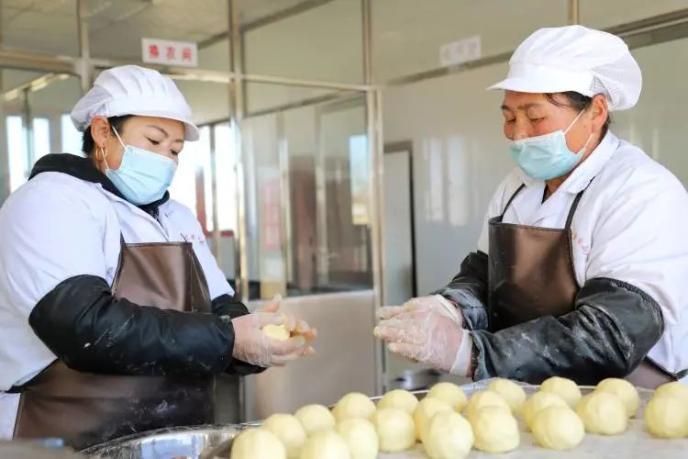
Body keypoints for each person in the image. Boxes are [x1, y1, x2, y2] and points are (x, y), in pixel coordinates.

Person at [0, 65, 316, 448]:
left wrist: (258, 337)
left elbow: (222, 311)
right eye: (153, 140)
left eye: (175, 150)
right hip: (63, 443)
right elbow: (86, 328)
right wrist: (229, 338)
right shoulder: (51, 201)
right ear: (102, 131)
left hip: (177, 442)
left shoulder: (176, 217)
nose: (166, 159)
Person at [375, 25, 688, 388]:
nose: (517, 133)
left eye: (535, 117)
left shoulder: (640, 191)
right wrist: (451, 308)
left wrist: (471, 353)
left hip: (636, 398)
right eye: (509, 117)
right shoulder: (516, 187)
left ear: (596, 111)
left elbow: (612, 333)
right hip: (532, 391)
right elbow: (486, 276)